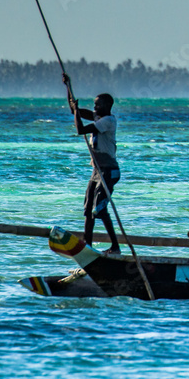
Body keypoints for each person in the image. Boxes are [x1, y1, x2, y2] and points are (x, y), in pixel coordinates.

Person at [63, 73, 121, 254]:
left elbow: (80, 129)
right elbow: (76, 112)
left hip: (109, 171)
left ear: (107, 106)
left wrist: (77, 112)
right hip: (97, 171)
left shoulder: (108, 121)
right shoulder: (98, 118)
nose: (95, 107)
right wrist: (68, 88)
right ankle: (87, 246)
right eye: (94, 105)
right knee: (88, 210)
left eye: (98, 105)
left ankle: (115, 247)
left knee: (100, 210)